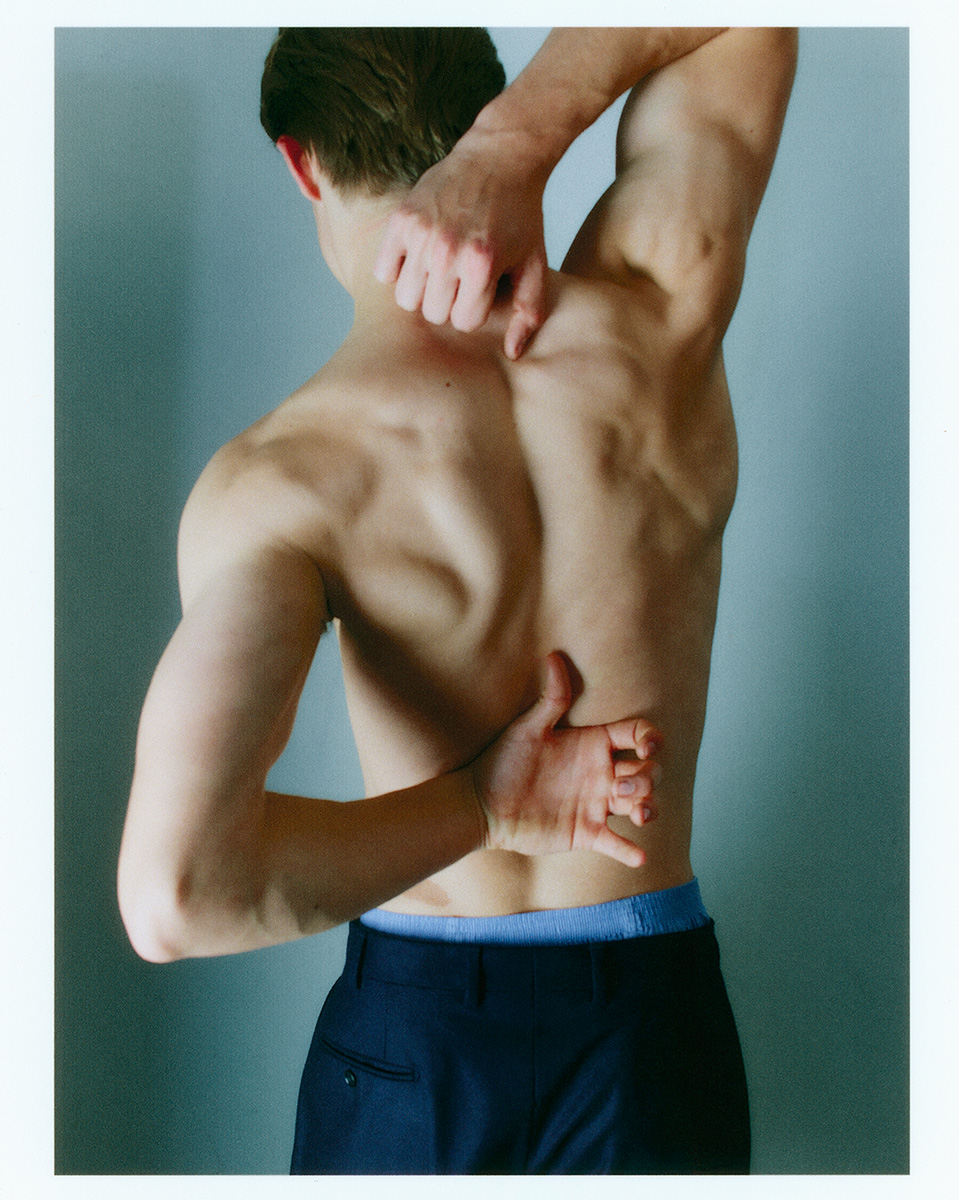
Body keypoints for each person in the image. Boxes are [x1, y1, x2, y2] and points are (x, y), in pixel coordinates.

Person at [117, 26, 796, 1174]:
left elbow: (179, 892)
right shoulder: (655, 322)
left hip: (414, 1048)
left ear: (300, 163)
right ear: (482, 108)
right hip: (645, 1032)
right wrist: (520, 140)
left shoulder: (283, 484)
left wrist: (485, 806)